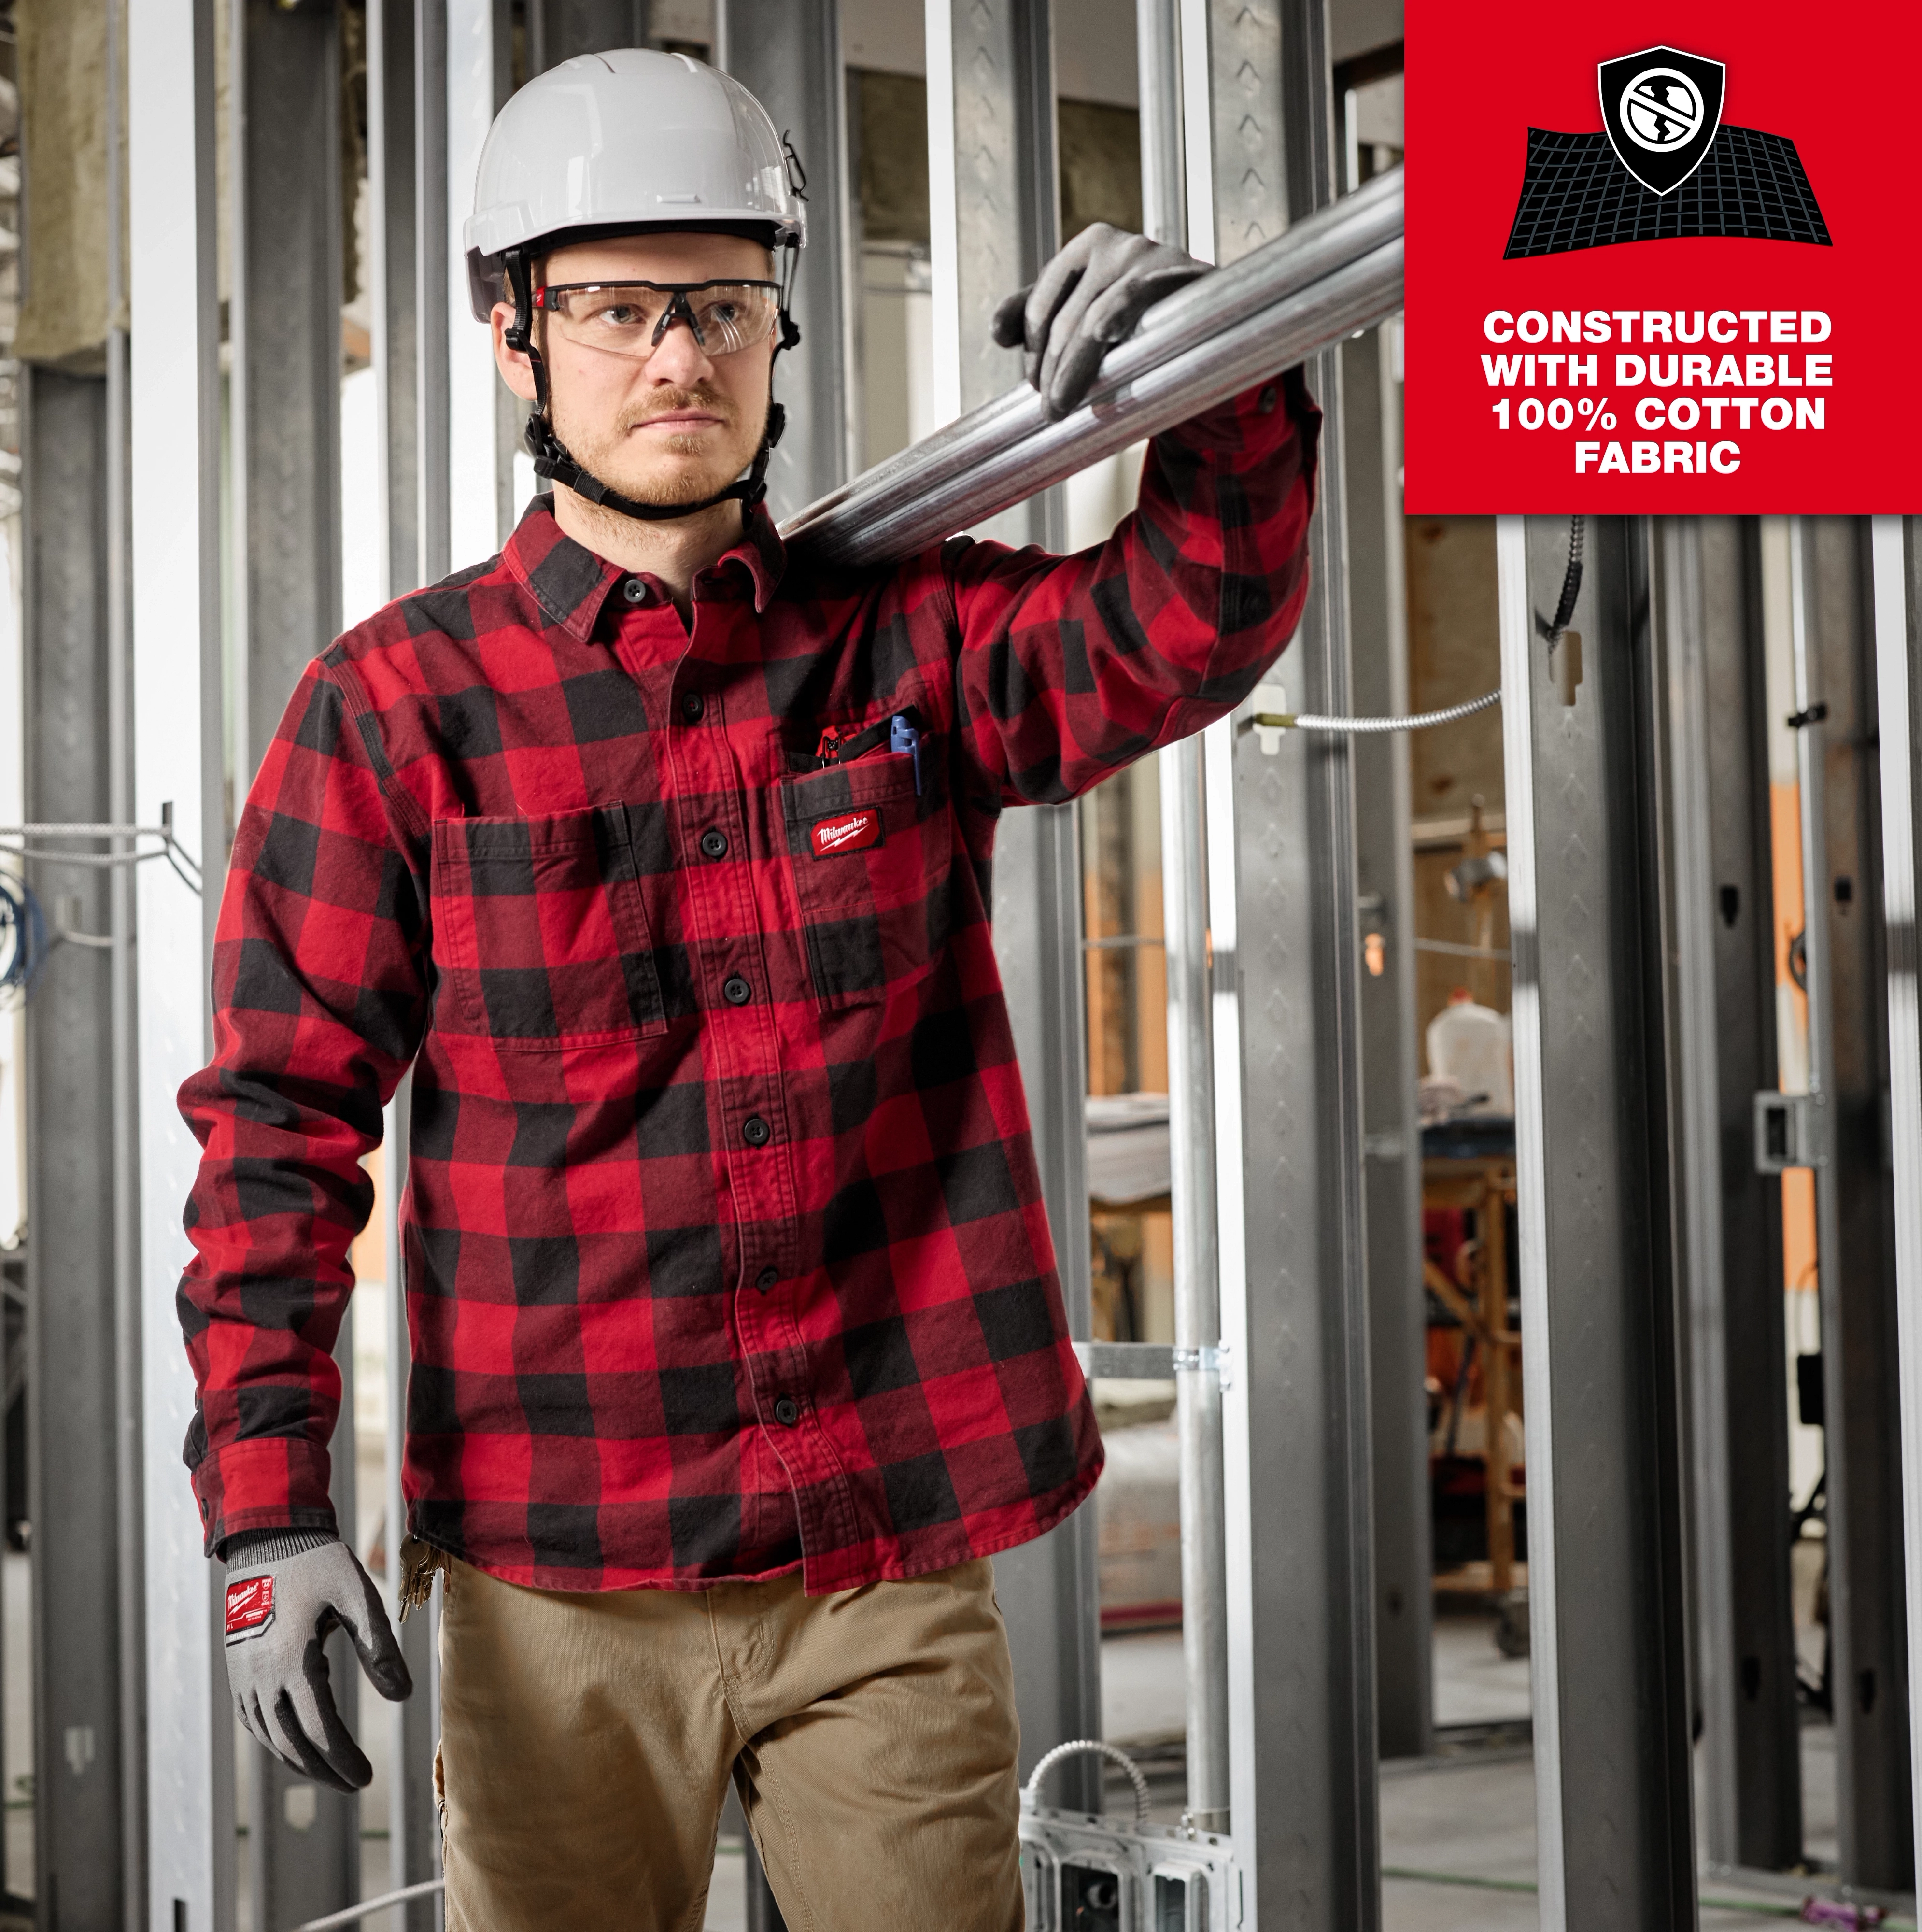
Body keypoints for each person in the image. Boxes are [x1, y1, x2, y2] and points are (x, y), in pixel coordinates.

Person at [178, 47, 1318, 1932]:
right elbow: (273, 1144)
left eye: (718, 303)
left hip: (885, 1555)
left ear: (779, 328)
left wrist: (1214, 377)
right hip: (562, 1585)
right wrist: (269, 1517)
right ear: (514, 336)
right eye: (616, 307)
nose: (677, 357)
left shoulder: (909, 646)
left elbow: (1190, 617)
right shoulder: (396, 714)